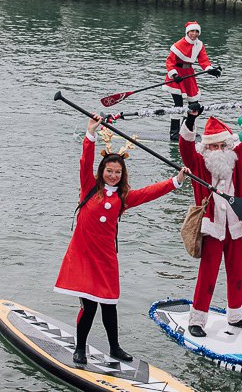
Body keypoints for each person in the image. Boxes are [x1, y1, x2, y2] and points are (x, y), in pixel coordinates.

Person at [54, 115, 187, 364]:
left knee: (109, 305)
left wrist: (175, 182)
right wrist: (90, 134)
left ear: (122, 174)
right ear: (102, 171)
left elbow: (148, 193)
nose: (113, 175)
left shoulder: (123, 198)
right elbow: (85, 161)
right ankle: (80, 347)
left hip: (106, 259)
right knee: (89, 306)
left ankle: (115, 348)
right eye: (109, 171)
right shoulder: (88, 188)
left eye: (117, 172)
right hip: (83, 256)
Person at [178, 99, 242, 337]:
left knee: (237, 272)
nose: (217, 150)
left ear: (228, 145)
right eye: (213, 146)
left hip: (236, 226)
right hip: (212, 229)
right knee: (208, 273)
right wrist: (191, 119)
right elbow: (185, 148)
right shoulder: (197, 163)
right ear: (206, 148)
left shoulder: (237, 159)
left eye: (221, 146)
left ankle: (235, 316)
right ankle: (197, 319)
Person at [164, 21, 222, 141]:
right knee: (178, 105)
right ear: (187, 32)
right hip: (176, 76)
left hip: (189, 75)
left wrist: (210, 70)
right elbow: (169, 62)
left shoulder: (199, 45)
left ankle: (187, 129)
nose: (194, 34)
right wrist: (174, 75)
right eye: (192, 31)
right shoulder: (178, 45)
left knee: (193, 104)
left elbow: (204, 60)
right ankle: (174, 133)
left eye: (197, 32)